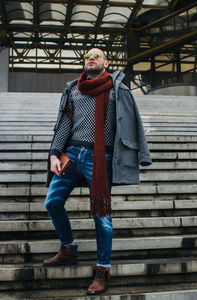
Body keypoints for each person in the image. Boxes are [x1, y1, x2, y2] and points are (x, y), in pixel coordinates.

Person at [44, 48, 152, 295]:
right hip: (71, 155)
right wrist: (53, 154)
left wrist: (142, 155)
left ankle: (102, 268)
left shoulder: (117, 90)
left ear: (106, 62)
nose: (90, 58)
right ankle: (68, 248)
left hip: (100, 158)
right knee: (52, 202)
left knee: (101, 215)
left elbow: (132, 121)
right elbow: (64, 124)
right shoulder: (73, 89)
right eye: (87, 56)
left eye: (96, 55)